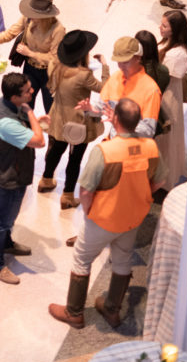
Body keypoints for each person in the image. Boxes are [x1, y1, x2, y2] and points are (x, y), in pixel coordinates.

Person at [48, 97, 165, 329]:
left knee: (82, 258)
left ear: (116, 119)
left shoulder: (106, 151)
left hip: (104, 217)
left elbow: (86, 190)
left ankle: (74, 313)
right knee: (122, 259)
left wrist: (89, 211)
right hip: (132, 218)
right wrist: (140, 195)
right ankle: (112, 309)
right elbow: (159, 182)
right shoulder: (151, 147)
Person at [0, 72, 48, 285]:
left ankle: (6, 244)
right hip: (10, 176)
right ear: (14, 97)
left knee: (9, 218)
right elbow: (40, 142)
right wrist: (31, 113)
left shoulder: (5, 103)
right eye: (27, 91)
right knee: (3, 220)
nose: (32, 92)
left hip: (16, 170)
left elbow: (24, 130)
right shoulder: (7, 122)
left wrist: (34, 120)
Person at [38, 29, 109, 208]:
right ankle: (67, 196)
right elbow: (105, 89)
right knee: (74, 158)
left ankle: (46, 179)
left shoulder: (55, 65)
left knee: (56, 149)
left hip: (58, 115)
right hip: (77, 121)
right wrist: (105, 66)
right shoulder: (84, 75)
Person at [0, 0, 64, 113]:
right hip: (30, 68)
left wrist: (30, 53)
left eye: (33, 14)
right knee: (25, 105)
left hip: (49, 73)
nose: (30, 15)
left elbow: (55, 58)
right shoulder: (28, 18)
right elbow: (11, 32)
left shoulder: (58, 30)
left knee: (51, 109)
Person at [79, 35, 162, 138]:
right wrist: (90, 108)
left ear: (138, 58)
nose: (121, 66)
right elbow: (102, 107)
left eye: (126, 62)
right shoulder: (115, 78)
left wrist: (120, 121)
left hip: (134, 149)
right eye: (119, 62)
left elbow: (149, 130)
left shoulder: (151, 90)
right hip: (115, 142)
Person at [156, 10, 187, 189]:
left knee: (165, 141)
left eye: (164, 26)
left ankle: (164, 181)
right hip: (162, 93)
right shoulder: (169, 44)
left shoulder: (178, 54)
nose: (160, 28)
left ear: (175, 29)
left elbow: (164, 77)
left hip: (167, 98)